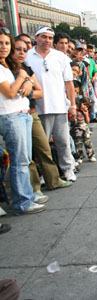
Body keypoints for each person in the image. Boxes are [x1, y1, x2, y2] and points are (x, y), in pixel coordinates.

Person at [13, 37, 71, 195]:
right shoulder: (10, 69)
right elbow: (11, 92)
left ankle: (53, 179)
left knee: (44, 148)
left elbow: (38, 92)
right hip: (14, 116)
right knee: (26, 155)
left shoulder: (26, 68)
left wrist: (28, 86)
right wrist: (24, 82)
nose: (21, 53)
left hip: (31, 112)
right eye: (17, 49)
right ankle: (34, 188)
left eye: (24, 50)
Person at [0, 28, 45, 214]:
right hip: (11, 116)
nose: (4, 47)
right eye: (1, 43)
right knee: (19, 161)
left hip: (22, 113)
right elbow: (10, 92)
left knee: (24, 160)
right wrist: (22, 77)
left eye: (6, 43)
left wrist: (25, 81)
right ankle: (22, 202)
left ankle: (27, 195)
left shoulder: (7, 66)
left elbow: (31, 89)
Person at [25, 26, 77, 182]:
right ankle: (44, 173)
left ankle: (68, 168)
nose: (47, 40)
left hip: (59, 106)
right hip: (38, 108)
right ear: (36, 38)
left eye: (49, 38)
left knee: (63, 141)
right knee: (41, 145)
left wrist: (72, 105)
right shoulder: (28, 56)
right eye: (43, 37)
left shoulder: (60, 57)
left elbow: (69, 83)